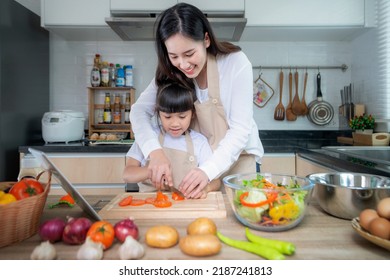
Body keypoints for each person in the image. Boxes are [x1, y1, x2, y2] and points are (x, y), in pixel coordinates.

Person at [130, 3, 264, 198]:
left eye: (189, 54)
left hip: (239, 163)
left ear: (206, 39)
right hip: (200, 167)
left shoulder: (235, 63)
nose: (183, 65)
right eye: (174, 56)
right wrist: (154, 152)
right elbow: (138, 111)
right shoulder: (171, 72)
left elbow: (240, 130)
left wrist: (208, 171)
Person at [123, 82, 221, 198]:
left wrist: (205, 188)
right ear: (158, 114)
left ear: (192, 114)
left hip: (185, 206)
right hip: (150, 204)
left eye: (182, 117)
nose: (175, 124)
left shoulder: (199, 142)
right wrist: (152, 171)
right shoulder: (149, 136)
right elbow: (127, 174)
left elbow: (216, 181)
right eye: (167, 117)